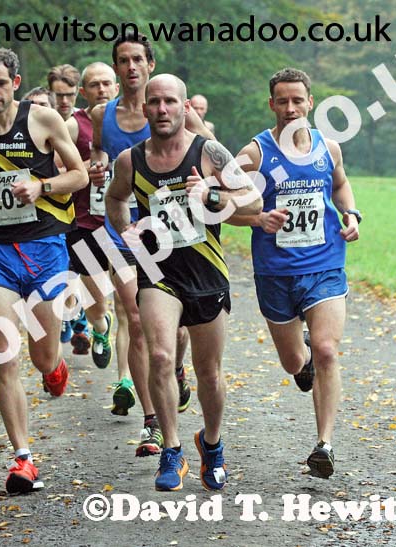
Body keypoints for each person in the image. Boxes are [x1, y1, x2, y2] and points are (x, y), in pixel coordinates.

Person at [106, 73, 262, 491]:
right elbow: (115, 198)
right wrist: (127, 232)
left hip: (207, 273)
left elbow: (254, 202)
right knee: (160, 355)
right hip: (159, 274)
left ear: (184, 106)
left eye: (170, 102)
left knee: (208, 372)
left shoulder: (208, 152)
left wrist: (210, 195)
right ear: (144, 108)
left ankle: (211, 444)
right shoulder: (130, 161)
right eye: (154, 102)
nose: (161, 110)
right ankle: (171, 451)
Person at [0, 47, 88, 495]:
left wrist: (42, 185)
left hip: (45, 246)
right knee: (2, 350)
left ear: (15, 81)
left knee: (42, 355)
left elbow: (80, 175)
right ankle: (23, 458)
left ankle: (54, 365)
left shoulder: (43, 120)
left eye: (0, 83)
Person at [231, 67, 361, 479]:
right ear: (271, 104)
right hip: (275, 273)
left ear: (310, 102)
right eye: (282, 101)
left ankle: (324, 445)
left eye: (297, 100)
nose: (290, 108)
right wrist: (257, 219)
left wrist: (351, 212)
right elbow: (220, 205)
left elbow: (340, 185)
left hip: (324, 264)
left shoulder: (330, 148)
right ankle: (299, 359)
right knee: (294, 362)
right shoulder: (255, 154)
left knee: (326, 350)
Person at [90, 32, 212, 456]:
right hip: (127, 231)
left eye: (138, 59)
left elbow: (214, 157)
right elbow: (97, 153)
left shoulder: (175, 110)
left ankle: (176, 369)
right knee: (136, 321)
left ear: (150, 64)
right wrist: (98, 165)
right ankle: (152, 423)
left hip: (177, 234)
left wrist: (208, 190)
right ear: (116, 66)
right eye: (122, 60)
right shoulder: (102, 113)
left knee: (175, 332)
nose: (130, 67)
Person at [63, 62, 119, 363]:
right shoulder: (73, 125)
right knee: (96, 296)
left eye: (106, 83)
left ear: (117, 87)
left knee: (132, 301)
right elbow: (57, 171)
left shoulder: (133, 121)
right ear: (83, 91)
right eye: (94, 84)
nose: (102, 89)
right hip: (86, 221)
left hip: (128, 223)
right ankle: (100, 326)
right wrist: (87, 169)